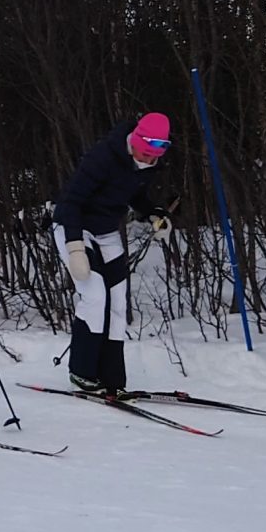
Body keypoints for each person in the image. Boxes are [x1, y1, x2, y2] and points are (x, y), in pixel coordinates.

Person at [53, 112, 175, 396]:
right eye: (143, 155)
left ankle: (111, 377)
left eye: (152, 158)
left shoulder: (149, 160)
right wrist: (75, 249)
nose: (146, 162)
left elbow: (131, 192)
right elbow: (72, 202)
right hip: (74, 226)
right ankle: (82, 374)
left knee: (118, 301)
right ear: (135, 142)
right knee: (94, 295)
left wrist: (153, 214)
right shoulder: (103, 157)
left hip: (106, 231)